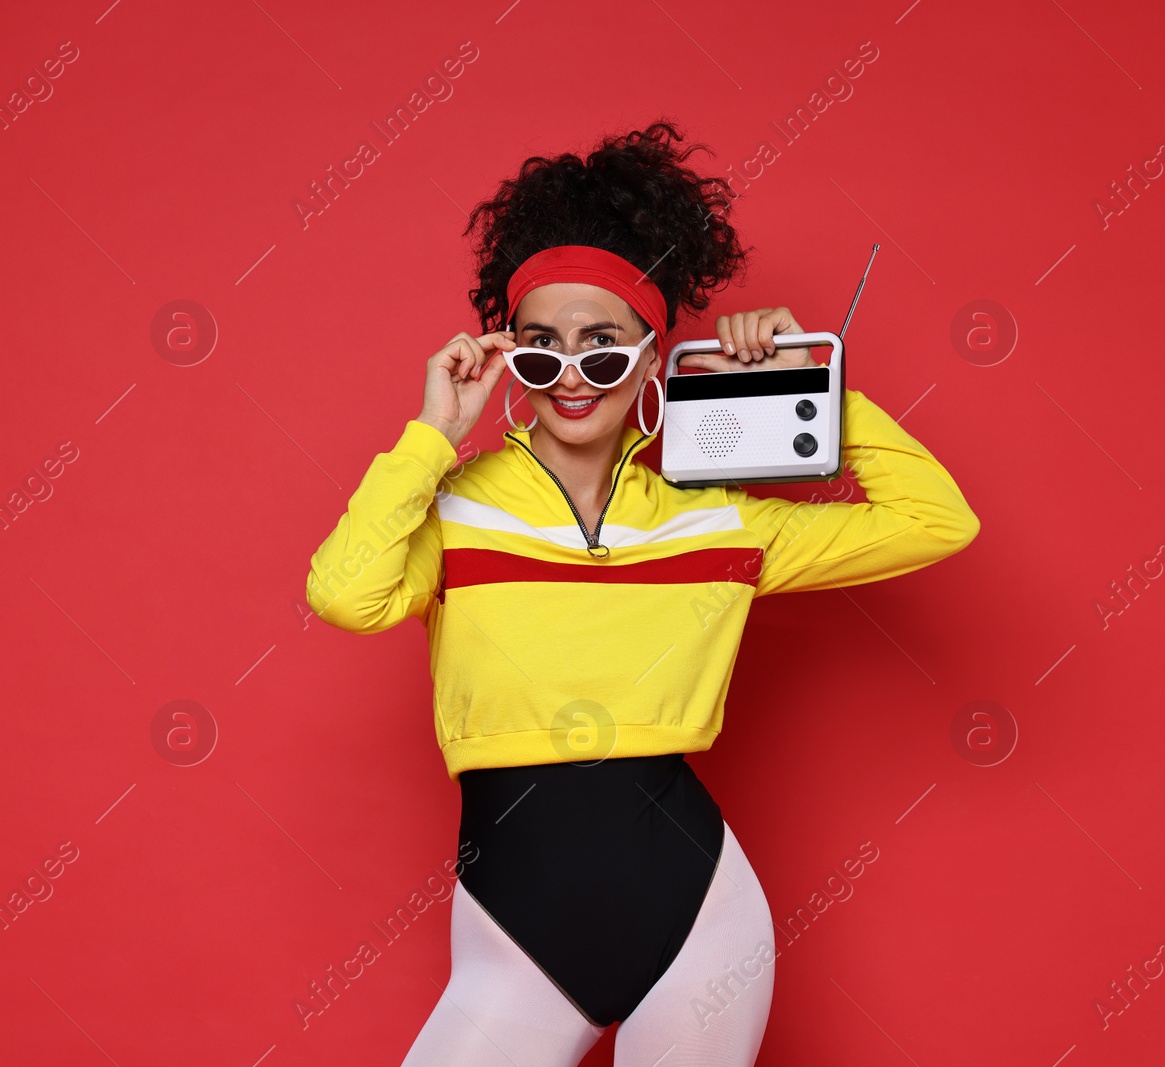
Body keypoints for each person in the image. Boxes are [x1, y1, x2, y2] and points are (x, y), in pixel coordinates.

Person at [303, 120, 980, 1066]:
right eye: (541, 348)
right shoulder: (451, 509)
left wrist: (810, 380)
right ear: (509, 360)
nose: (572, 376)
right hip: (516, 917)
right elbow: (345, 593)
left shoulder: (718, 523)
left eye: (605, 347)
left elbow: (936, 520)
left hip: (698, 914)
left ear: (655, 360)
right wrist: (430, 434)